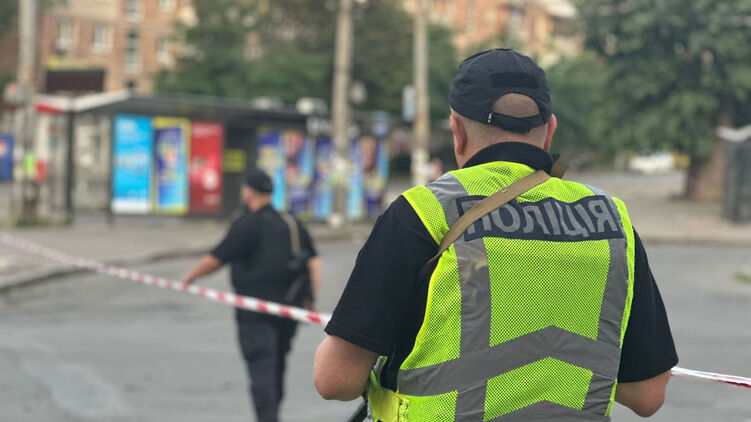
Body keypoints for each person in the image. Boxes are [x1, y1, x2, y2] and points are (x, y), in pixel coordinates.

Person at [314, 49, 678, 421]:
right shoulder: (611, 221)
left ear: (457, 131)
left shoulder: (423, 213)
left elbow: (335, 380)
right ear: (549, 131)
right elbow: (647, 394)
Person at [183, 170, 321, 422]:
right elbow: (314, 261)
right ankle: (273, 415)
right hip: (288, 309)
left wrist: (190, 277)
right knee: (277, 366)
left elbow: (217, 258)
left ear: (249, 191)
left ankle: (267, 418)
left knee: (261, 369)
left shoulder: (247, 223)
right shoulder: (290, 222)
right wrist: (310, 298)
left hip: (255, 313)